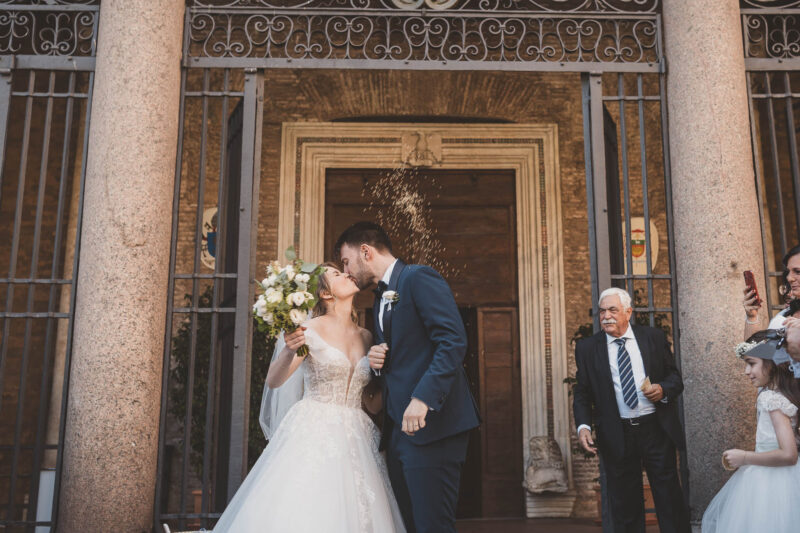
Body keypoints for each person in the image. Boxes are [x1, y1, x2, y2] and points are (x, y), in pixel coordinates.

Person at [212, 264, 406, 532]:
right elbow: (274, 380)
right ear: (326, 294)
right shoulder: (309, 330)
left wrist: (392, 373)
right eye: (337, 274)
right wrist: (289, 351)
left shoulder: (367, 336)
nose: (347, 274)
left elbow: (371, 402)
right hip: (316, 428)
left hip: (359, 435)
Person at [335, 221, 480, 533]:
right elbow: (404, 355)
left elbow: (452, 341)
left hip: (433, 428)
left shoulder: (417, 277)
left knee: (432, 526)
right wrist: (376, 361)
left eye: (345, 262)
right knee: (408, 525)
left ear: (365, 251)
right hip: (399, 432)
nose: (346, 272)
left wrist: (423, 398)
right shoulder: (380, 297)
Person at [573, 287, 690, 533]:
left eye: (612, 310)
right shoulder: (587, 348)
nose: (606, 316)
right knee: (625, 504)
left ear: (628, 312)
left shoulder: (653, 338)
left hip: (655, 428)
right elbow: (582, 392)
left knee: (668, 497)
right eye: (602, 311)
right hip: (618, 432)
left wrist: (662, 389)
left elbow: (674, 378)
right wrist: (583, 425)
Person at [701, 335, 800, 532]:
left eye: (751, 364)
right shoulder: (776, 394)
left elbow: (789, 455)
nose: (747, 371)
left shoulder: (772, 399)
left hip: (773, 482)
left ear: (771, 365)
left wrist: (744, 457)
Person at [743, 244, 800, 339]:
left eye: (798, 271)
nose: (789, 278)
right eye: (788, 272)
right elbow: (754, 352)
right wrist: (752, 317)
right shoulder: (786, 312)